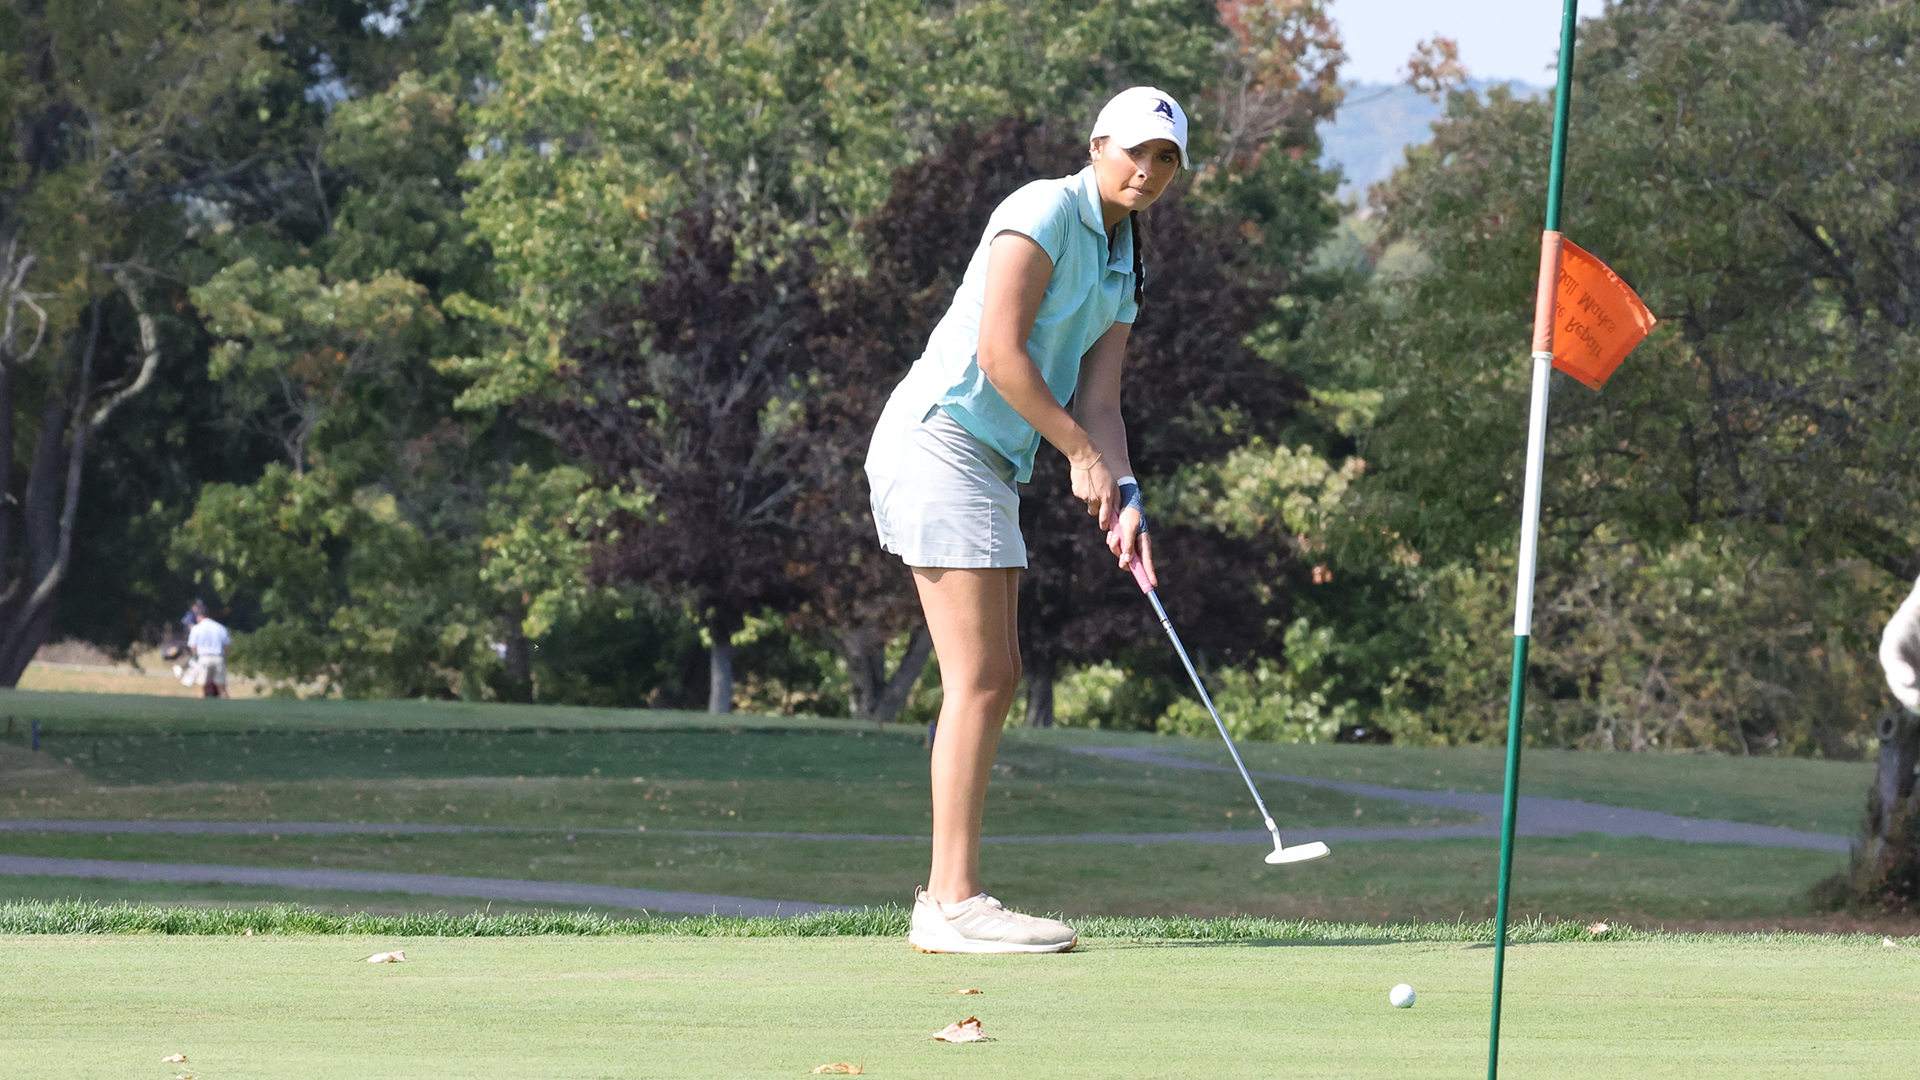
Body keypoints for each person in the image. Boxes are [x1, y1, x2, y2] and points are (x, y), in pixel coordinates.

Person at [864, 86, 1185, 954]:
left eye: (1165, 161)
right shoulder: (1043, 209)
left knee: (994, 675)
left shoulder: (1128, 262)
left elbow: (1103, 401)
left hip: (990, 461)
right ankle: (949, 903)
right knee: (982, 677)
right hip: (941, 439)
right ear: (1097, 146)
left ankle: (950, 899)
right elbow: (1000, 356)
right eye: (1135, 153)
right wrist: (1079, 458)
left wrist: (1124, 491)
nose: (1147, 172)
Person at [184, 607, 231, 699]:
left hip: (204, 658)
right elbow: (227, 644)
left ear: (200, 616)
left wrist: (197, 654)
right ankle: (226, 702)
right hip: (218, 657)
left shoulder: (196, 628)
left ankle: (201, 704)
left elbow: (192, 646)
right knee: (222, 686)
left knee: (201, 685)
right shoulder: (220, 628)